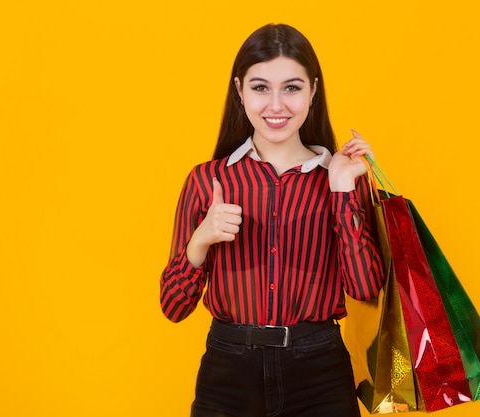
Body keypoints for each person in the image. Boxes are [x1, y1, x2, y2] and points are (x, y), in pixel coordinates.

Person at [160, 23, 384, 417]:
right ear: (239, 91)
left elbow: (365, 288)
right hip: (228, 373)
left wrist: (342, 190)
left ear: (313, 91)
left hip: (321, 371)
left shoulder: (342, 177)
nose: (276, 105)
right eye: (261, 87)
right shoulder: (207, 181)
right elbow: (173, 307)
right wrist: (200, 240)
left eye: (292, 88)